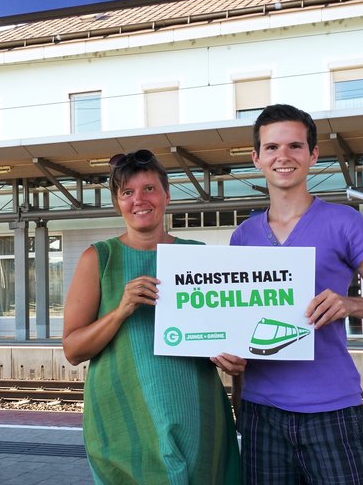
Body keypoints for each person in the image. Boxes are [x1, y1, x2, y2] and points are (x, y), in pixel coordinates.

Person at [225, 103, 363, 485]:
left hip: (333, 411)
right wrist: (229, 352)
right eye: (272, 148)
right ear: (256, 157)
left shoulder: (345, 222)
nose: (283, 157)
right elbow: (241, 322)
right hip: (261, 412)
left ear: (313, 155)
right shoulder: (242, 235)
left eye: (295, 146)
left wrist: (350, 304)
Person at [62, 149, 241, 485]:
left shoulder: (197, 255)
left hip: (196, 410)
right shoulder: (98, 258)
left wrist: (230, 357)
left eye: (149, 189)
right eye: (127, 193)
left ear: (166, 196)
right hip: (125, 418)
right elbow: (73, 350)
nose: (138, 200)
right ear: (118, 202)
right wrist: (121, 311)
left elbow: (220, 337)